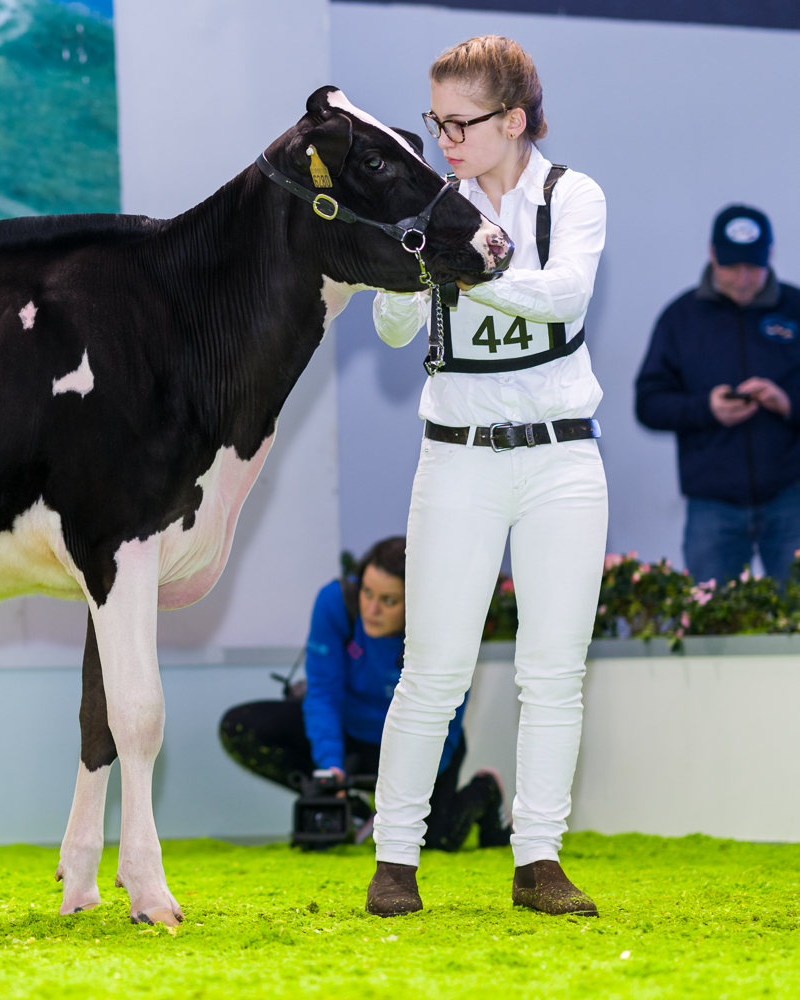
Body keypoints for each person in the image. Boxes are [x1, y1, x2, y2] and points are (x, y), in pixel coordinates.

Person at [367, 36, 607, 917]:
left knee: (553, 672)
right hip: (456, 458)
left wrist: (464, 264)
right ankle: (394, 860)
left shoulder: (572, 195)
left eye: (459, 123)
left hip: (562, 458)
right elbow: (393, 330)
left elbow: (563, 297)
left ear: (513, 120)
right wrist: (407, 264)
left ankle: (537, 859)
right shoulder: (431, 206)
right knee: (432, 670)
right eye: (435, 123)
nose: (444, 141)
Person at [218, 537, 509, 853]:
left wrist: (402, 799)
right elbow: (323, 693)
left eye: (388, 601)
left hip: (419, 744)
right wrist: (330, 770)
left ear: (417, 604)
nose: (371, 609)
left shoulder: (446, 633)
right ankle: (353, 810)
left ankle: (486, 789)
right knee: (241, 726)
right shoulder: (336, 602)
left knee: (435, 842)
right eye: (367, 592)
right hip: (349, 735)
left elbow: (446, 724)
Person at [635, 206, 800, 585]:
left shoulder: (795, 308)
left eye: (752, 266)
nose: (742, 278)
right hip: (712, 505)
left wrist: (788, 402)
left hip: (791, 496)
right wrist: (705, 408)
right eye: (731, 266)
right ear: (712, 254)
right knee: (710, 613)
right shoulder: (681, 317)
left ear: (770, 254)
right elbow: (648, 404)